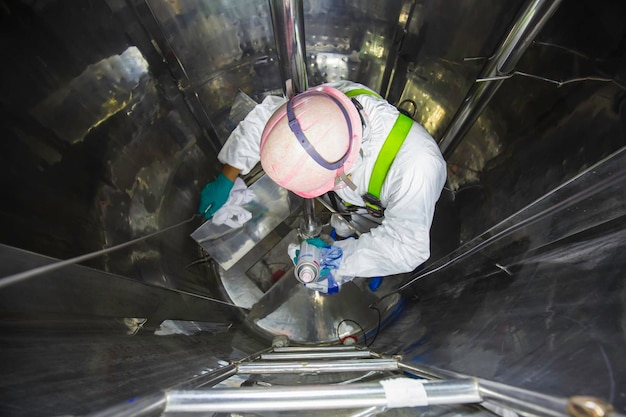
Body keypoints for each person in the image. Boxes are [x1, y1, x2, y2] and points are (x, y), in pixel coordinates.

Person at [198, 80, 447, 293]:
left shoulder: (416, 169)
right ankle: (342, 232)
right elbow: (269, 120)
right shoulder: (325, 107)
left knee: (373, 235)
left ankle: (358, 244)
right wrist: (228, 176)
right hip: (350, 202)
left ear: (343, 171)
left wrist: (338, 260)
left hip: (383, 211)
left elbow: (407, 246)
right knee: (346, 218)